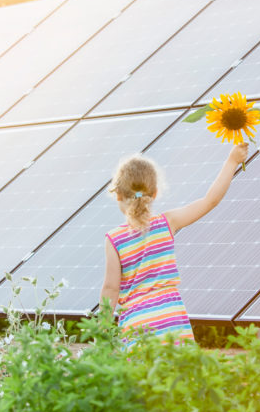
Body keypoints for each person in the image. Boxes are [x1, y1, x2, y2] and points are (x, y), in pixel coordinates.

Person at [100, 142, 249, 348]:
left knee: (142, 380)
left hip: (137, 328)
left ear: (117, 195)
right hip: (173, 323)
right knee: (179, 378)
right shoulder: (167, 223)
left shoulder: (114, 239)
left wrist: (102, 333)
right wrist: (232, 161)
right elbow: (210, 201)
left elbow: (110, 288)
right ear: (154, 193)